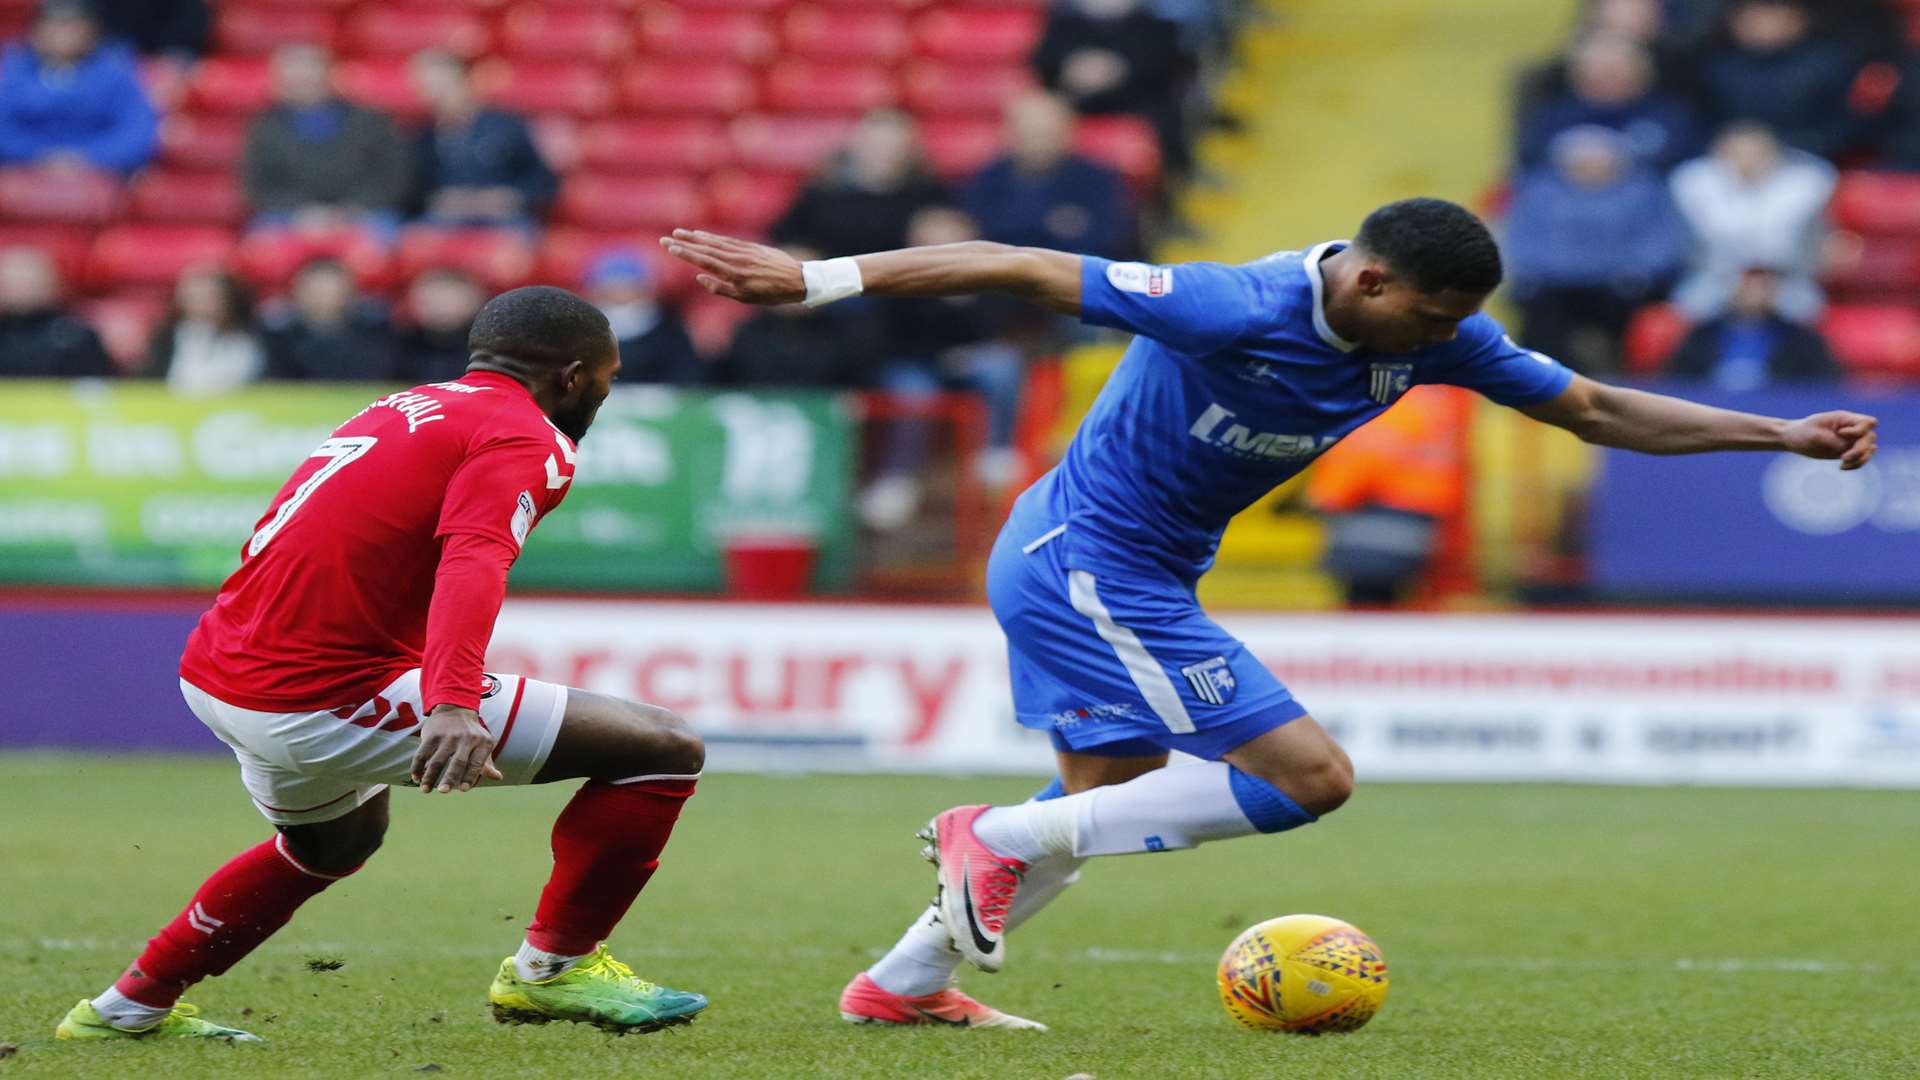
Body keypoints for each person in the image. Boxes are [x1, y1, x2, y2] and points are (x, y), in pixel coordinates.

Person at [659, 197, 1878, 1029]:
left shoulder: (1436, 336)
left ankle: (903, 982)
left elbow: (1596, 411)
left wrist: (1778, 431)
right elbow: (1025, 266)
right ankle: (989, 835)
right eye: (1434, 319)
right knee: (1309, 778)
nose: (1452, 342)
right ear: (1371, 277)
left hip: (1127, 566)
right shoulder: (1228, 304)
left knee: (1109, 795)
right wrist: (816, 280)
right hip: (1088, 559)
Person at [55, 286, 710, 1043]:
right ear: (571, 376)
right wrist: (453, 702)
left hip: (220, 666)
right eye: (608, 378)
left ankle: (126, 1009)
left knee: (333, 843)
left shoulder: (405, 406)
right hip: (315, 691)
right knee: (661, 750)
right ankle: (555, 971)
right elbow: (476, 557)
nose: (604, 393)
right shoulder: (524, 435)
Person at [1503, 125, 1686, 376]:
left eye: (1598, 161)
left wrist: (1638, 269)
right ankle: (1536, 378)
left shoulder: (1643, 191)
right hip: (1554, 281)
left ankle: (1625, 376)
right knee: (1537, 312)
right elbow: (1520, 239)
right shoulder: (1539, 191)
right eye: (1582, 163)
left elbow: (1660, 240)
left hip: (1619, 281)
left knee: (1636, 306)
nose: (1590, 169)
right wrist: (1538, 270)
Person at [1669, 121, 1833, 325]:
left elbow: (1813, 248)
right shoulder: (1693, 184)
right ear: (1719, 153)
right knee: (1686, 311)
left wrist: (1766, 283)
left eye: (1756, 154)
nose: (1746, 161)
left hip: (1784, 280)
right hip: (1716, 278)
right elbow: (1687, 247)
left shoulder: (1805, 186)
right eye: (1737, 153)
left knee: (1807, 311)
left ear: (1774, 155)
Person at [241, 44, 412, 237]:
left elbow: (391, 176)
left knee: (381, 245)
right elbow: (258, 187)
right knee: (264, 248)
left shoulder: (371, 120)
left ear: (330, 75)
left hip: (364, 213)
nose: (304, 82)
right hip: (289, 216)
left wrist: (349, 210)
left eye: (310, 75)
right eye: (296, 77)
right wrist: (302, 213)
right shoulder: (265, 127)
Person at [963, 92, 1133, 260]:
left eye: (1046, 135)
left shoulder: (1098, 180)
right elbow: (975, 237)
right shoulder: (986, 179)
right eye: (1027, 135)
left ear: (1068, 133)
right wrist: (1054, 223)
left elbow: (1107, 240)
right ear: (1006, 134)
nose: (1038, 145)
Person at [1031, 0, 1191, 175]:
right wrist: (1072, 68)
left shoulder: (1155, 26)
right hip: (1075, 105)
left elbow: (1166, 64)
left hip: (1137, 107)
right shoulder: (1064, 24)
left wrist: (1120, 69)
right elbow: (1042, 62)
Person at [1694, 0, 1868, 161]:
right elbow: (1700, 125)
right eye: (1751, 18)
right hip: (1730, 161)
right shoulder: (1717, 67)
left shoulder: (1829, 64)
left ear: (1797, 20)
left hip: (1807, 160)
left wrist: (1782, 147)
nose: (1760, 25)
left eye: (1769, 16)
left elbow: (1845, 128)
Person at [771, 109, 954, 259]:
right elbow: (787, 241)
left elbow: (952, 242)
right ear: (857, 143)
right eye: (878, 143)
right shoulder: (823, 193)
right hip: (831, 289)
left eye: (893, 145)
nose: (885, 152)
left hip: (903, 291)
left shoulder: (929, 195)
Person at [0, 0, 157, 174]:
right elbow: (4, 128)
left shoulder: (116, 70)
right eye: (53, 25)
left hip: (103, 173)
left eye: (72, 26)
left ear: (93, 31)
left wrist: (86, 158)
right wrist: (39, 157)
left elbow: (136, 131)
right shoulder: (13, 68)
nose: (62, 34)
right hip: (21, 170)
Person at [410, 50, 557, 227]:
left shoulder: (505, 125)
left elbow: (541, 179)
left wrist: (509, 196)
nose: (436, 96)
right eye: (428, 89)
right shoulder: (425, 136)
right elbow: (415, 189)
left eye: (443, 86)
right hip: (448, 219)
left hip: (502, 217)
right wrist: (437, 198)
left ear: (464, 81)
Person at [1513, 34, 1700, 173]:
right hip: (1563, 197)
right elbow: (1532, 154)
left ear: (1641, 77)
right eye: (1597, 74)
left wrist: (1618, 161)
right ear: (1579, 78)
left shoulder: (1665, 113)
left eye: (1616, 73)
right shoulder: (1557, 114)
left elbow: (1681, 156)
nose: (1607, 81)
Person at [1666, 264, 1840, 388]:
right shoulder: (1700, 337)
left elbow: (1823, 386)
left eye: (1763, 284)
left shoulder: (1802, 341)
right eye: (1749, 282)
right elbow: (1677, 384)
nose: (1755, 291)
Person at [261, 258, 397, 382]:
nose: (324, 296)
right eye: (316, 289)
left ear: (350, 291)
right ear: (297, 291)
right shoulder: (278, 336)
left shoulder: (374, 332)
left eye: (330, 289)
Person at [584, 249, 703, 385]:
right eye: (611, 289)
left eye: (628, 287)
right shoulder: (581, 335)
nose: (620, 294)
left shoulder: (670, 332)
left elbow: (688, 379)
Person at [148, 265, 265, 395]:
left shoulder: (251, 339)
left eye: (208, 295)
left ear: (228, 298)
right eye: (192, 296)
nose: (199, 303)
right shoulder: (167, 337)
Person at [0, 244, 113, 377]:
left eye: (26, 280)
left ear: (51, 284)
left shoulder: (76, 338)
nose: (20, 288)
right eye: (12, 281)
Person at [394, 266, 486, 384]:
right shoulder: (397, 343)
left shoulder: (488, 350)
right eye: (431, 299)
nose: (440, 307)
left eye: (450, 300)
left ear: (473, 301)